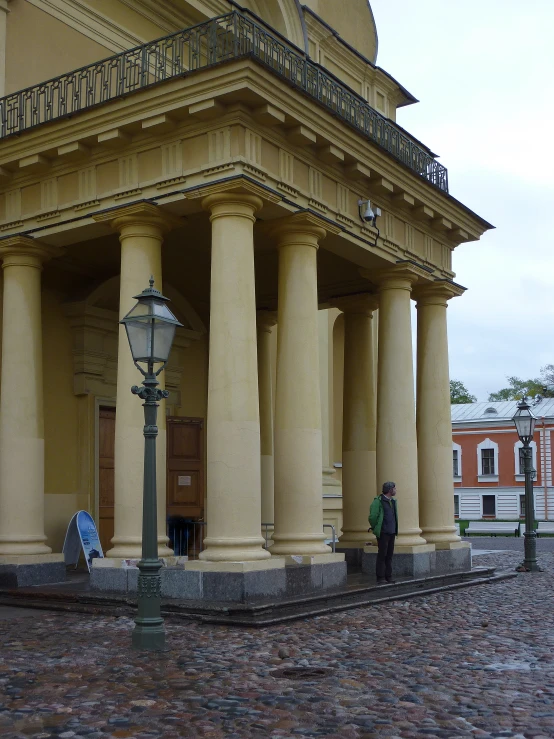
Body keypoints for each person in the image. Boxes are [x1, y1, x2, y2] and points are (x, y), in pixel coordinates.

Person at [368, 481, 398, 585]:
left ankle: (388, 576)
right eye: (394, 488)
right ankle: (380, 577)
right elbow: (372, 517)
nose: (395, 490)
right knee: (382, 555)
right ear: (390, 490)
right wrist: (376, 527)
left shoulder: (393, 501)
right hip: (383, 532)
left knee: (389, 555)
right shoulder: (378, 501)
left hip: (392, 532)